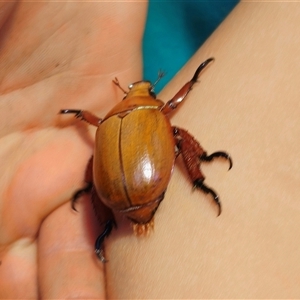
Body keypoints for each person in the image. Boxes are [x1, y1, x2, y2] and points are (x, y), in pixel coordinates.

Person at [1, 2, 300, 298]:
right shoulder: (153, 114)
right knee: (179, 137)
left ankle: (105, 222)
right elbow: (175, 104)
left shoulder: (104, 124)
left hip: (121, 192)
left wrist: (82, 117)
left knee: (97, 159)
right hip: (143, 187)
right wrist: (192, 82)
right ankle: (198, 177)